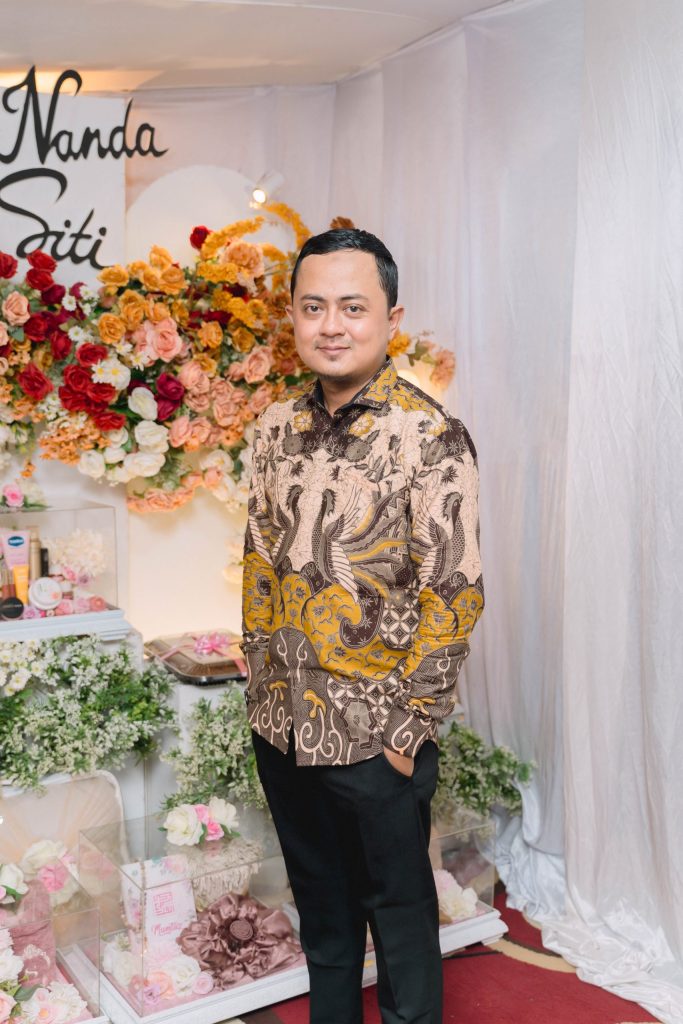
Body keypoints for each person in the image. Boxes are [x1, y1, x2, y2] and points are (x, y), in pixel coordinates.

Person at [241, 228, 484, 1024]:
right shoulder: (272, 427)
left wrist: (406, 733)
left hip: (377, 734)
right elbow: (259, 562)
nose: (331, 326)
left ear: (390, 318)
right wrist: (259, 683)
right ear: (293, 315)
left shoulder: (430, 437)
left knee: (400, 920)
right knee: (322, 913)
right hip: (281, 722)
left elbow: (454, 593)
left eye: (352, 307)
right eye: (313, 307)